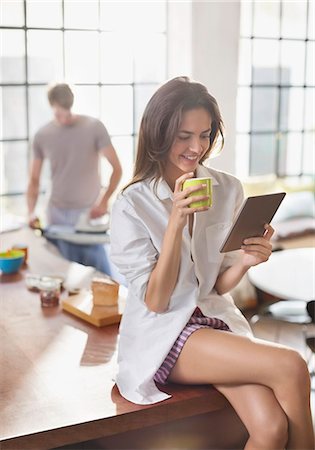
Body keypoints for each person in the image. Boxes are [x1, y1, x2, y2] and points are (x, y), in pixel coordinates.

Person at [110, 77, 314, 449]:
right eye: (184, 136)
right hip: (166, 331)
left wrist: (246, 262)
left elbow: (216, 285)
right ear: (159, 134)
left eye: (204, 135)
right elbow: (156, 301)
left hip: (214, 319)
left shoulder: (228, 188)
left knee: (270, 427)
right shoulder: (132, 204)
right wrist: (175, 223)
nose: (196, 147)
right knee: (293, 365)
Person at [26, 83, 122, 273]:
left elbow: (117, 169)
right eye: (58, 114)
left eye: (67, 113)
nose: (64, 119)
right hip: (56, 215)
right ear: (51, 106)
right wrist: (31, 212)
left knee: (101, 275)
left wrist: (103, 202)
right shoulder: (42, 135)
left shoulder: (94, 127)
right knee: (60, 275)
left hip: (88, 214)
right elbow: (34, 180)